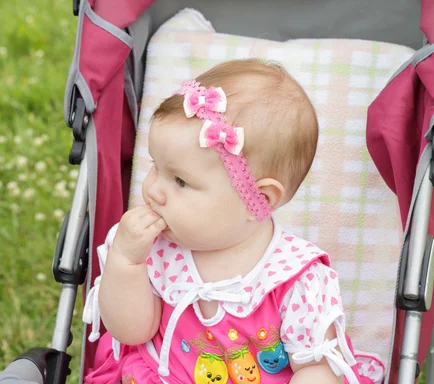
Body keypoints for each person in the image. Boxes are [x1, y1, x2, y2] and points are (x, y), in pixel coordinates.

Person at [82, 59, 385, 384]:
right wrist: (127, 261)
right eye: (156, 166)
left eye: (180, 181)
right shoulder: (153, 249)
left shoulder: (294, 280)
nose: (154, 190)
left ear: (258, 198)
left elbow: (316, 368)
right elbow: (131, 331)